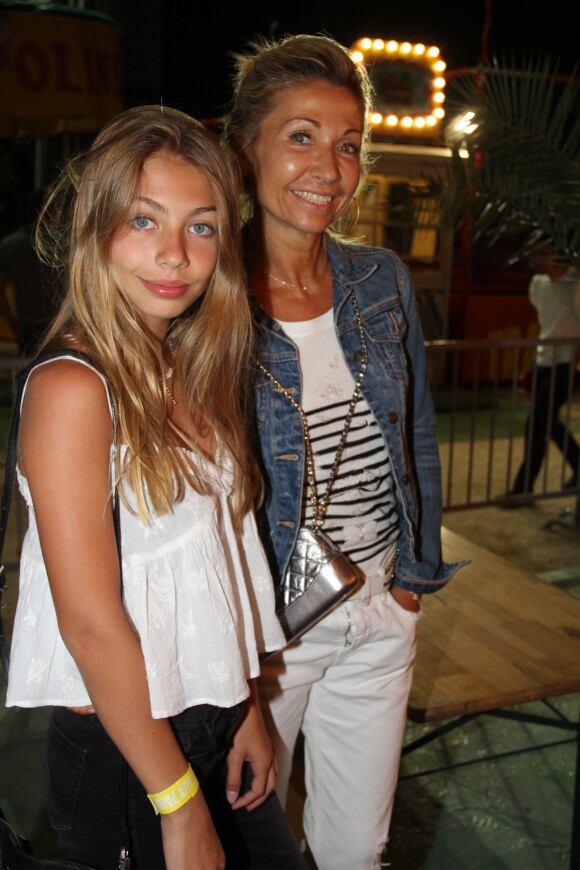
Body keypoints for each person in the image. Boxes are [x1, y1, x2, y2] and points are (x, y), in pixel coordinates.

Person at [5, 105, 309, 870]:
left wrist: (243, 705)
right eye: (145, 221)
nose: (175, 254)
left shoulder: (189, 365)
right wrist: (177, 804)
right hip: (130, 758)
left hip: (209, 724)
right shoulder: (74, 389)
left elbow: (218, 568)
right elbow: (93, 625)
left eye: (201, 227)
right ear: (97, 229)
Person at [224, 33, 466, 870]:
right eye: (300, 135)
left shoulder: (381, 281)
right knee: (252, 846)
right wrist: (239, 666)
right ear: (242, 146)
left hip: (378, 613)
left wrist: (409, 585)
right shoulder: (207, 302)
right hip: (268, 639)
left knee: (356, 853)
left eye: (349, 144)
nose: (329, 165)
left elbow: (418, 436)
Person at [506, 246, 580, 501]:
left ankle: (522, 487)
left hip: (565, 362)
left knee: (536, 422)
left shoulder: (574, 282)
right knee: (549, 423)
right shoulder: (538, 283)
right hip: (543, 359)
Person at [0, 187, 62, 355]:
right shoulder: (62, 247)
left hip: (31, 325)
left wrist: (14, 323)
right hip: (54, 323)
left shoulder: (11, 245)